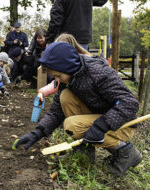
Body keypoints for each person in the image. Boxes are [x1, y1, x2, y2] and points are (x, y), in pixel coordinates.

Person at [15, 42, 141, 176]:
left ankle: (126, 151)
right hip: (100, 117)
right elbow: (56, 112)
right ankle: (85, 152)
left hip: (122, 124)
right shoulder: (70, 78)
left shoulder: (97, 72)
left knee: (72, 125)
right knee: (66, 96)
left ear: (68, 66)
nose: (57, 80)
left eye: (58, 75)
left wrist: (101, 126)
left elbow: (130, 103)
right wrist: (37, 133)